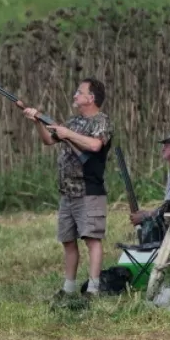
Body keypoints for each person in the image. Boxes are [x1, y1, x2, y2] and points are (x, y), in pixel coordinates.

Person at [22, 77, 113, 297]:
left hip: (88, 190)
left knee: (92, 239)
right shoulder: (73, 122)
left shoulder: (101, 121)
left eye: (79, 92)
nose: (75, 95)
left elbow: (95, 144)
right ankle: (68, 288)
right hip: (67, 192)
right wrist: (37, 121)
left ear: (90, 98)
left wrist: (67, 133)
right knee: (68, 241)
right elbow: (49, 141)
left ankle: (93, 288)